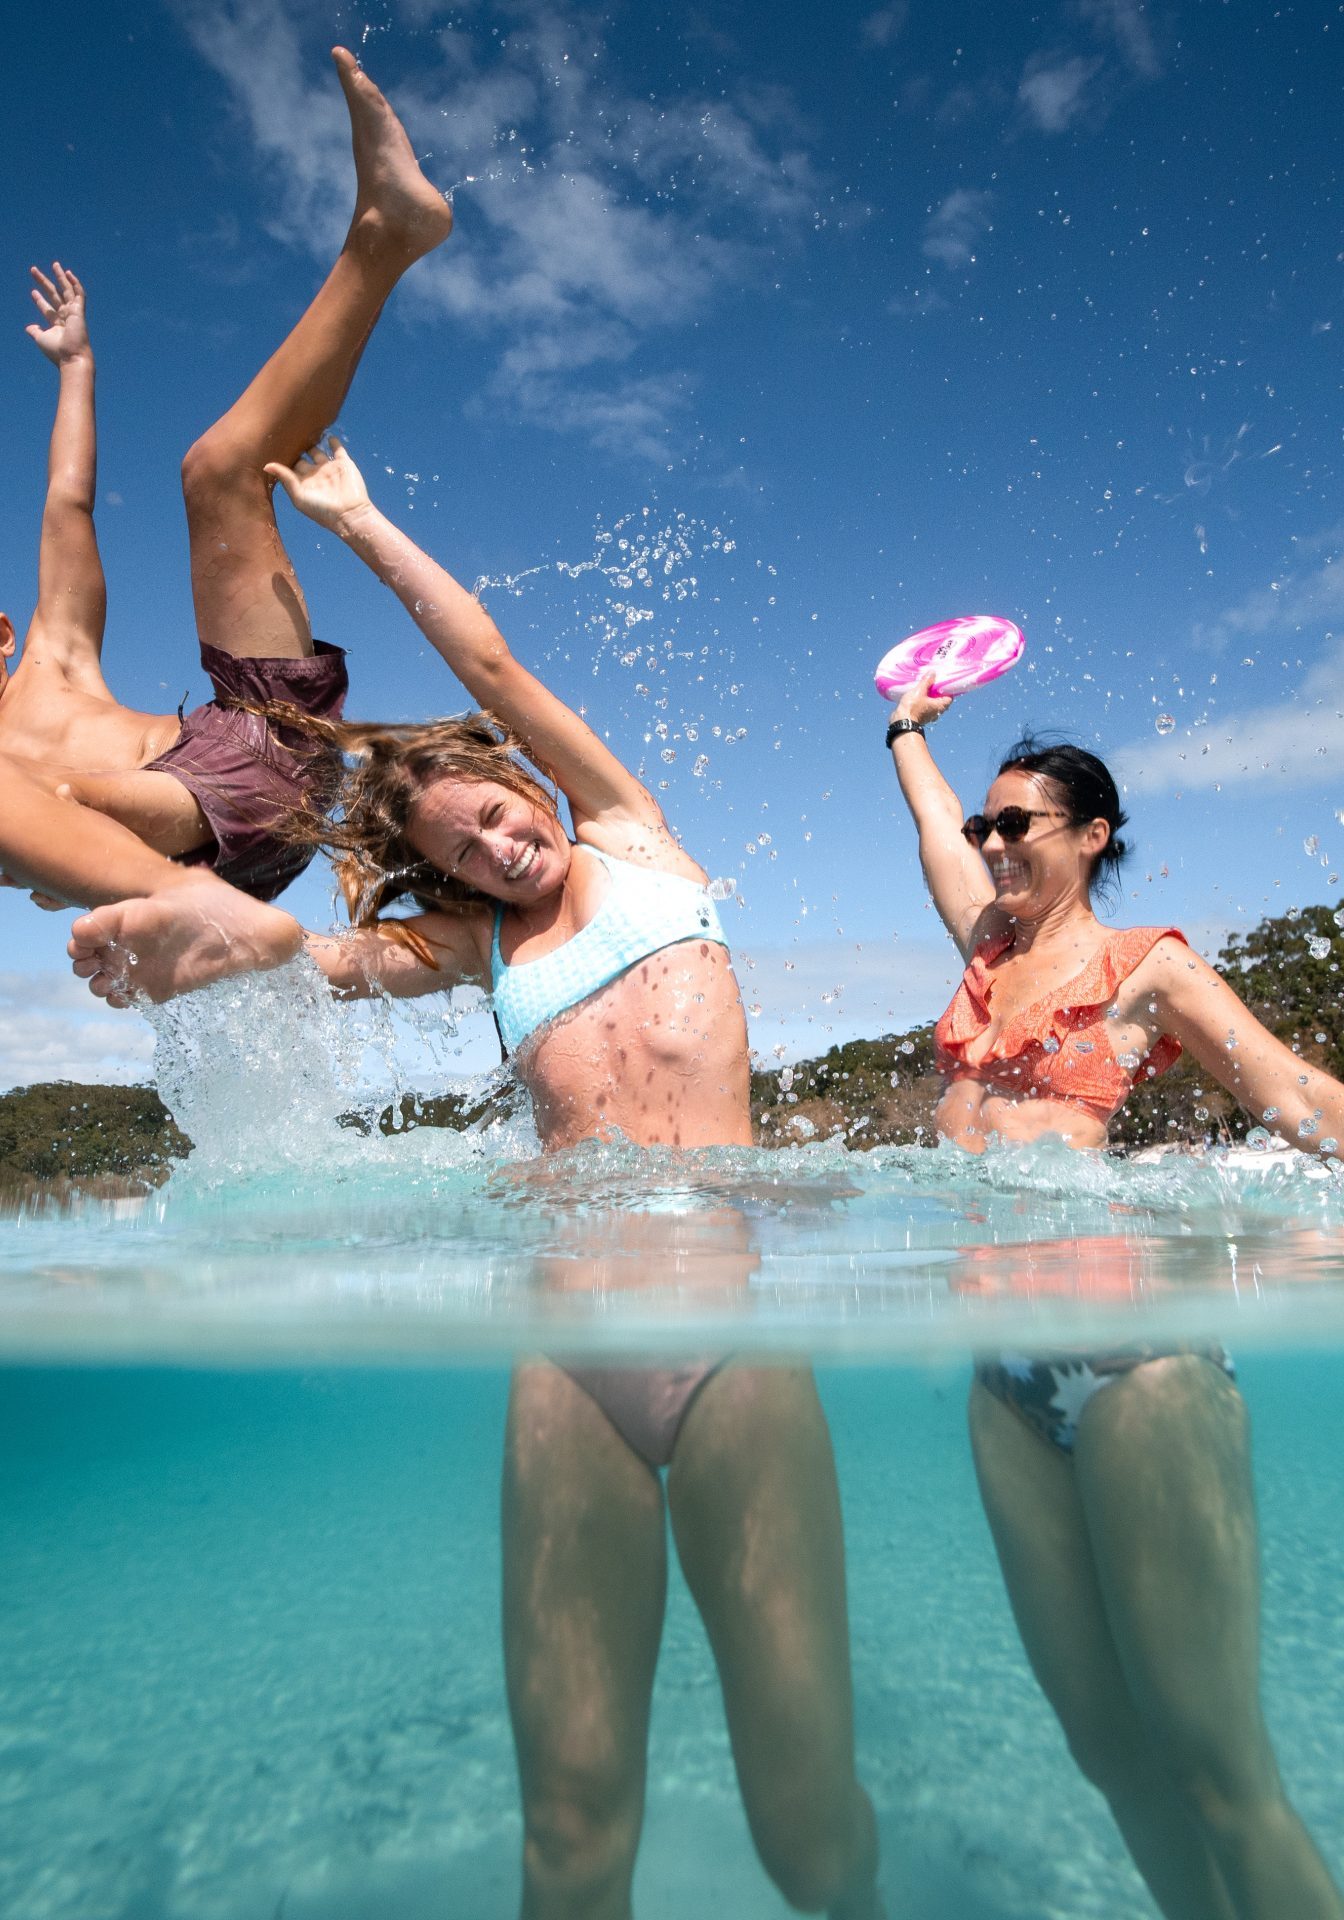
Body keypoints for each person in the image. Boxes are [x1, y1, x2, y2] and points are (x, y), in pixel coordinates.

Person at [68, 438, 883, 1920]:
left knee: (804, 1799)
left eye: (506, 816)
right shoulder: (481, 946)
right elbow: (311, 962)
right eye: (472, 853)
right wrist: (182, 937)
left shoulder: (633, 841)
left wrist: (362, 521)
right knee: (571, 1814)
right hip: (568, 1349)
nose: (510, 850)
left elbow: (495, 665)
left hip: (732, 1339)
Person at [887, 670, 1344, 1920]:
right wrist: (906, 731)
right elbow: (931, 827)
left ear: (1090, 836)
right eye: (985, 827)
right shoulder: (984, 944)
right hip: (1007, 1373)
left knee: (1216, 1766)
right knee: (1108, 1753)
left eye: (1014, 825)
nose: (988, 844)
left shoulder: (1149, 967)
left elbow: (1301, 1103)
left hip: (1134, 1358)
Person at [0, 47, 451, 912]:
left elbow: (67, 500)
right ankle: (171, 913)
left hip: (266, 741)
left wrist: (77, 368)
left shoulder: (54, 662)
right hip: (202, 870)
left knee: (219, 469)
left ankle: (387, 235)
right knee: (42, 836)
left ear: (3, 636)